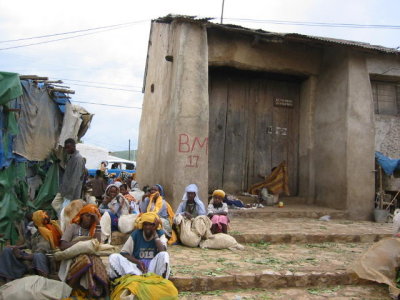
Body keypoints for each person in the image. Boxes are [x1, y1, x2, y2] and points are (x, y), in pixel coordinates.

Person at [59, 204, 109, 297]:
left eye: (92, 217)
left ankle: (102, 291)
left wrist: (97, 224)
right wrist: (81, 244)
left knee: (95, 260)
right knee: (85, 260)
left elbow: (97, 244)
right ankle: (68, 290)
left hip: (90, 255)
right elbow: (63, 245)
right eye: (87, 216)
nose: (89, 219)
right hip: (73, 256)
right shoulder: (73, 227)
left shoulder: (93, 230)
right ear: (81, 216)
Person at [0, 210, 61, 281]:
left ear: (37, 221)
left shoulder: (46, 232)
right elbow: (28, 244)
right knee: (7, 250)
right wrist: (15, 247)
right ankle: (8, 276)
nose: (33, 222)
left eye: (34, 220)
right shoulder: (38, 232)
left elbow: (41, 252)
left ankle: (43, 279)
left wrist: (22, 256)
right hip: (33, 257)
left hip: (47, 261)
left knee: (39, 256)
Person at [108, 212, 170, 279]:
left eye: (151, 225)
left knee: (164, 255)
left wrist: (155, 234)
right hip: (137, 268)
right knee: (113, 257)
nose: (147, 227)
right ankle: (132, 277)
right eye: (145, 224)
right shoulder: (136, 234)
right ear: (142, 225)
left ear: (155, 226)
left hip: (153, 268)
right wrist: (138, 262)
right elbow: (124, 253)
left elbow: (162, 250)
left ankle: (160, 280)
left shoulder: (159, 233)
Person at [57, 138, 86, 214]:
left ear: (74, 146)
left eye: (68, 147)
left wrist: (69, 195)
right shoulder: (72, 157)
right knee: (58, 207)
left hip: (71, 193)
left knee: (66, 213)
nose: (67, 149)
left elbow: (75, 179)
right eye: (66, 148)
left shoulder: (77, 159)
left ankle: (63, 225)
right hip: (66, 191)